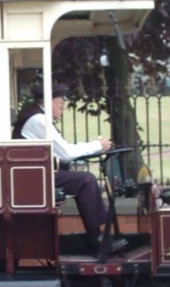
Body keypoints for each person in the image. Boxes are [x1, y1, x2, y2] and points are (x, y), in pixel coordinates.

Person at [13, 82, 125, 255]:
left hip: (34, 174)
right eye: (60, 104)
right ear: (49, 102)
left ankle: (97, 235)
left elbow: (63, 149)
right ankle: (96, 237)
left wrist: (95, 147)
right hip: (33, 178)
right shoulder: (38, 120)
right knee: (86, 181)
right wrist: (98, 145)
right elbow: (65, 152)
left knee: (83, 180)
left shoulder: (38, 118)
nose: (62, 109)